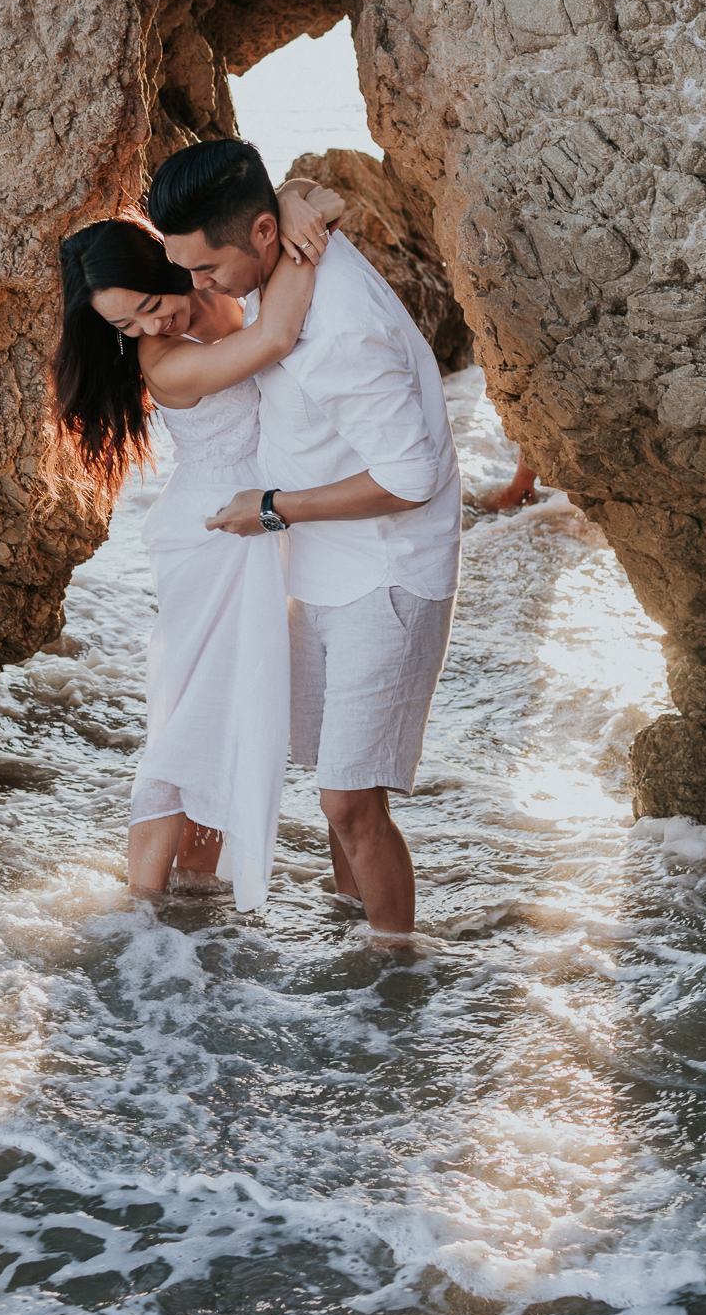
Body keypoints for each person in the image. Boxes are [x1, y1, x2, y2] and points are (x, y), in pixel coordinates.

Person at [148, 140, 463, 943]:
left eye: (207, 269)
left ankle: (397, 973)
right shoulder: (282, 262)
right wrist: (300, 192)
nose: (199, 289)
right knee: (336, 791)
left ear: (257, 237)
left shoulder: (343, 330)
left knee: (350, 802)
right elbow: (283, 199)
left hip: (387, 574)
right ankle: (351, 951)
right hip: (322, 565)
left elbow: (412, 477)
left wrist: (274, 508)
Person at [53, 180, 343, 912]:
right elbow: (276, 338)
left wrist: (300, 199)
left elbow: (288, 208)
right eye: (126, 324)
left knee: (231, 713)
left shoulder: (219, 282)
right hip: (214, 535)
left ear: (165, 263)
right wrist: (305, 235)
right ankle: (139, 921)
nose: (150, 324)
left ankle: (196, 897)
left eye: (149, 303)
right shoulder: (163, 363)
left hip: (260, 524)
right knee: (190, 718)